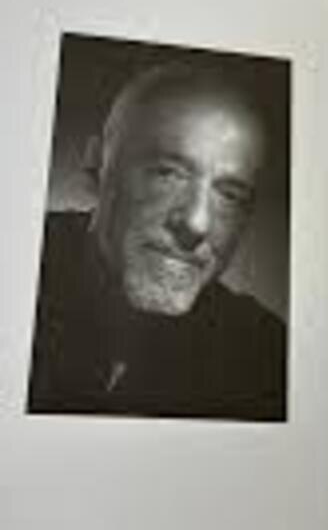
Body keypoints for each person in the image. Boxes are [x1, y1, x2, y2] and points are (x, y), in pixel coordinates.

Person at [27, 64, 287, 422]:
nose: (197, 223)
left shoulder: (265, 354)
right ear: (96, 164)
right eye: (167, 173)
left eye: (229, 194)